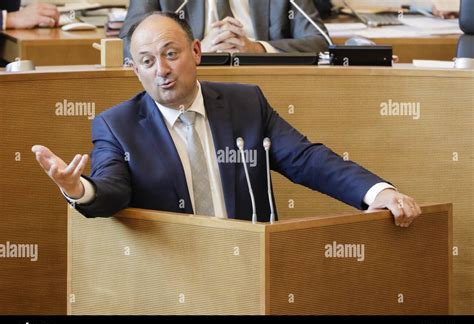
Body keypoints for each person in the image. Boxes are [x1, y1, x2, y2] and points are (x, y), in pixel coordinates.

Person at [32, 12, 421, 227]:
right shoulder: (117, 125)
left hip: (253, 262)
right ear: (136, 71)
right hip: (173, 272)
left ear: (197, 52)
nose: (162, 70)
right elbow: (112, 191)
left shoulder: (245, 103)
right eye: (148, 62)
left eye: (171, 54)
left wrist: (378, 193)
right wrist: (79, 189)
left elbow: (306, 159)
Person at [119, 0, 330, 58]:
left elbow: (320, 41)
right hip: (188, 87)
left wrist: (258, 50)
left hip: (268, 89)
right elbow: (128, 45)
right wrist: (195, 49)